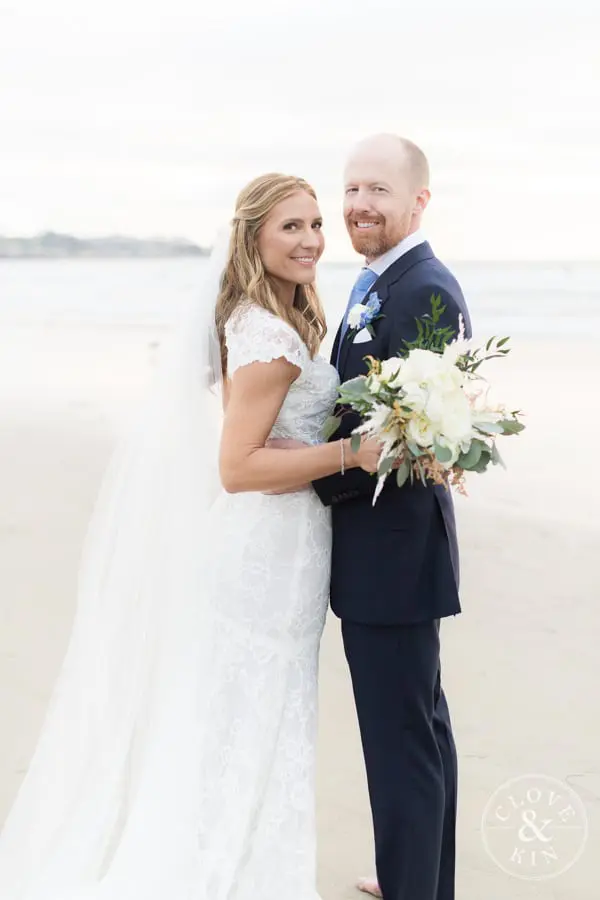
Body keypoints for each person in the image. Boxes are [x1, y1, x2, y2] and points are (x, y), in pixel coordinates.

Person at [0, 173, 381, 899]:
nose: (310, 241)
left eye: (313, 225)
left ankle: (243, 863)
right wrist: (350, 455)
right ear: (254, 238)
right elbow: (237, 467)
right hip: (265, 550)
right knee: (249, 709)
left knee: (255, 709)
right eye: (290, 228)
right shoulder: (266, 332)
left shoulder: (269, 316)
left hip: (286, 547)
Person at [313, 135, 473, 900]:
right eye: (349, 189)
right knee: (417, 727)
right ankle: (420, 880)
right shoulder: (379, 280)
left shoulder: (425, 287)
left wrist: (311, 475)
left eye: (377, 189)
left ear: (419, 200)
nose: (358, 205)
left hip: (395, 552)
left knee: (401, 737)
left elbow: (416, 438)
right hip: (385, 551)